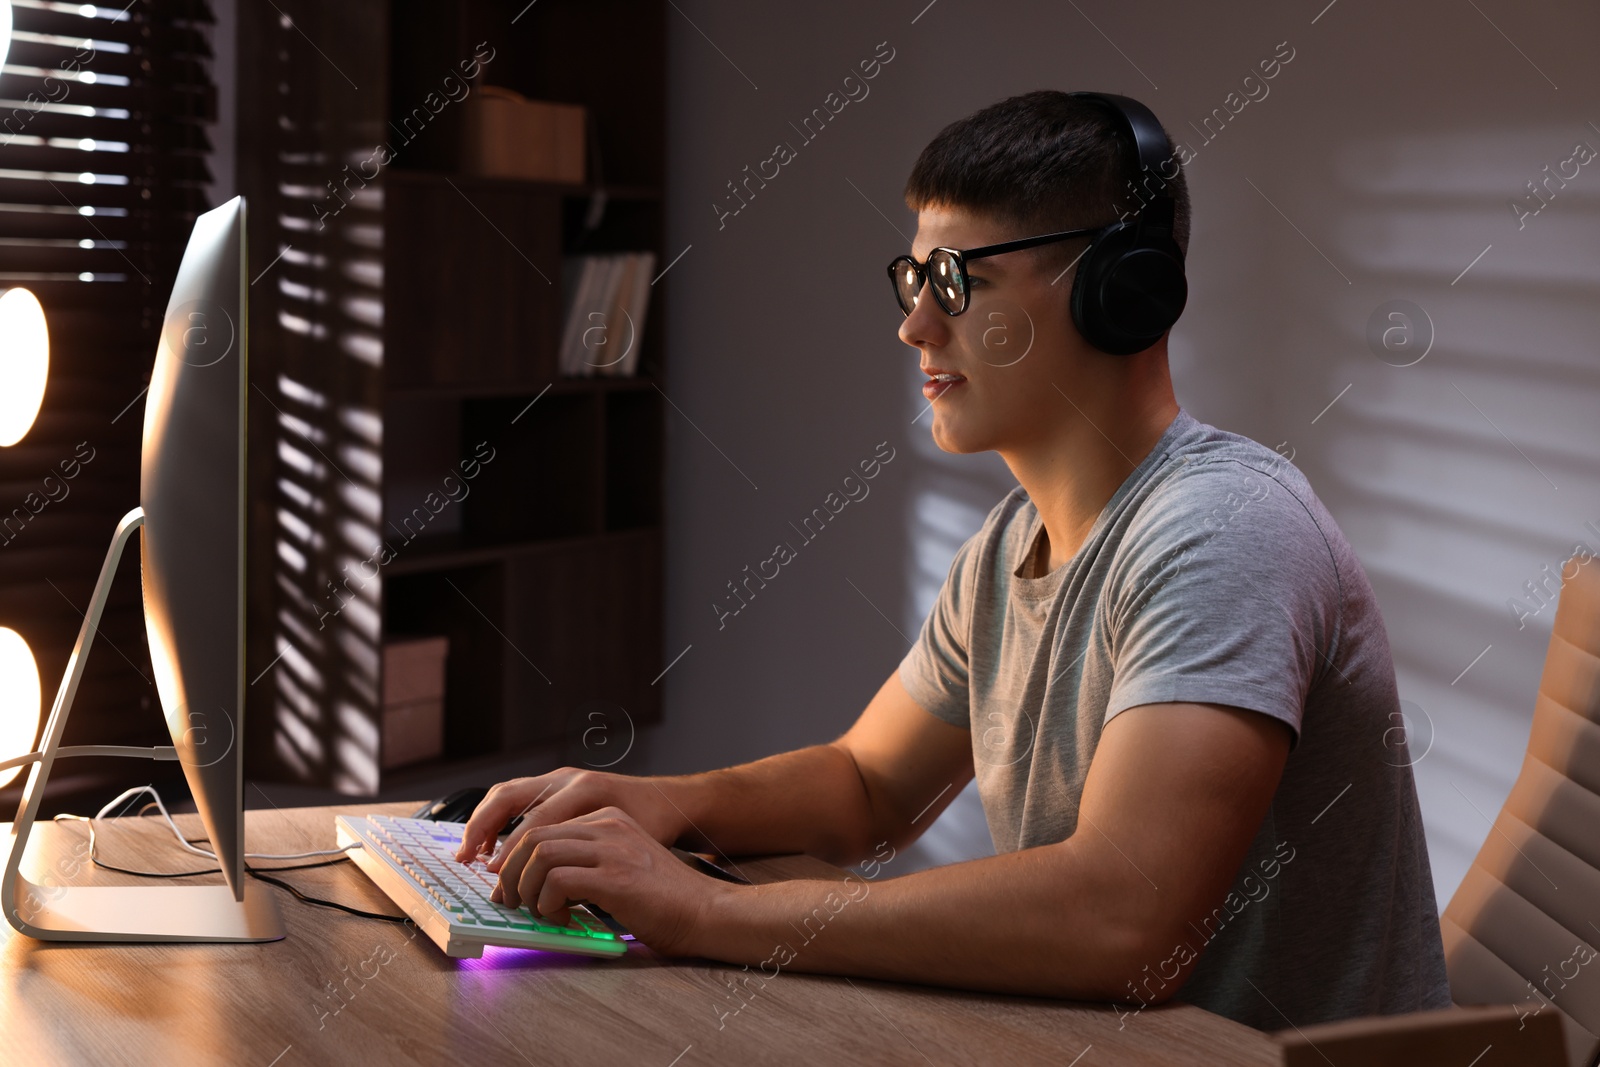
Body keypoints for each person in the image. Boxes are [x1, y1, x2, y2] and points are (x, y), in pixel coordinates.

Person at [454, 89, 1452, 1031]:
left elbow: (1124, 920)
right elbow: (866, 787)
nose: (914, 324)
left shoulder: (1225, 529)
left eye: (956, 281)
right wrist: (662, 801)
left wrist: (700, 911)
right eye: (912, 276)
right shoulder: (1009, 544)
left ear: (1121, 291)